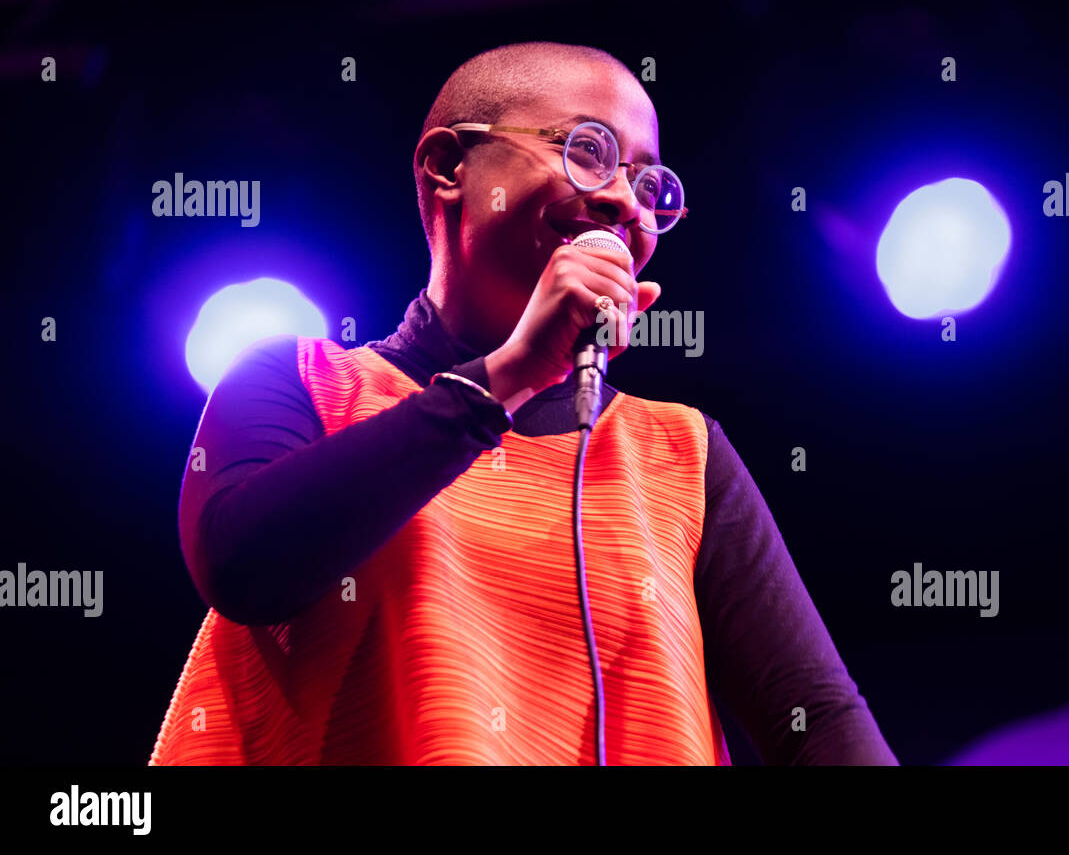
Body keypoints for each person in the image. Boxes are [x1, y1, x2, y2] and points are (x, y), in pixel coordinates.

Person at [150, 41, 898, 765]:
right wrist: (508, 377)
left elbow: (817, 718)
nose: (620, 203)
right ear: (448, 167)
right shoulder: (300, 383)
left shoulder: (680, 453)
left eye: (646, 184)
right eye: (587, 152)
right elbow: (243, 565)